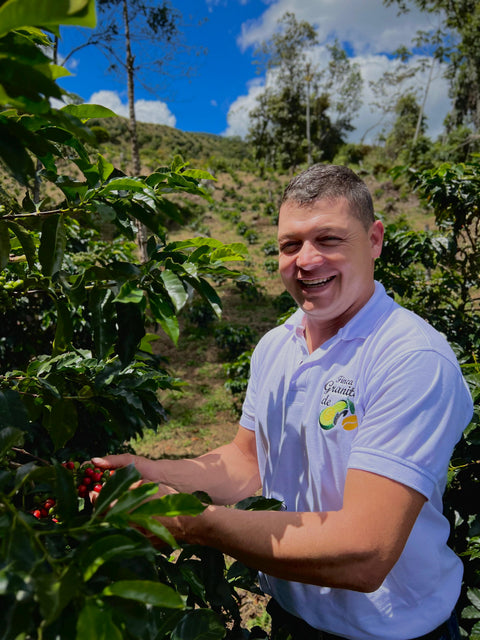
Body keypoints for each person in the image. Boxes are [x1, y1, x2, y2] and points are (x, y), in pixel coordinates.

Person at [92, 164, 473, 640]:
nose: (306, 260)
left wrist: (193, 523)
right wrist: (146, 470)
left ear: (374, 240)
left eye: (329, 240)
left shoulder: (410, 357)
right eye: (290, 245)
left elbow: (365, 553)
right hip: (291, 617)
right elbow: (246, 465)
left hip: (396, 633)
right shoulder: (276, 344)